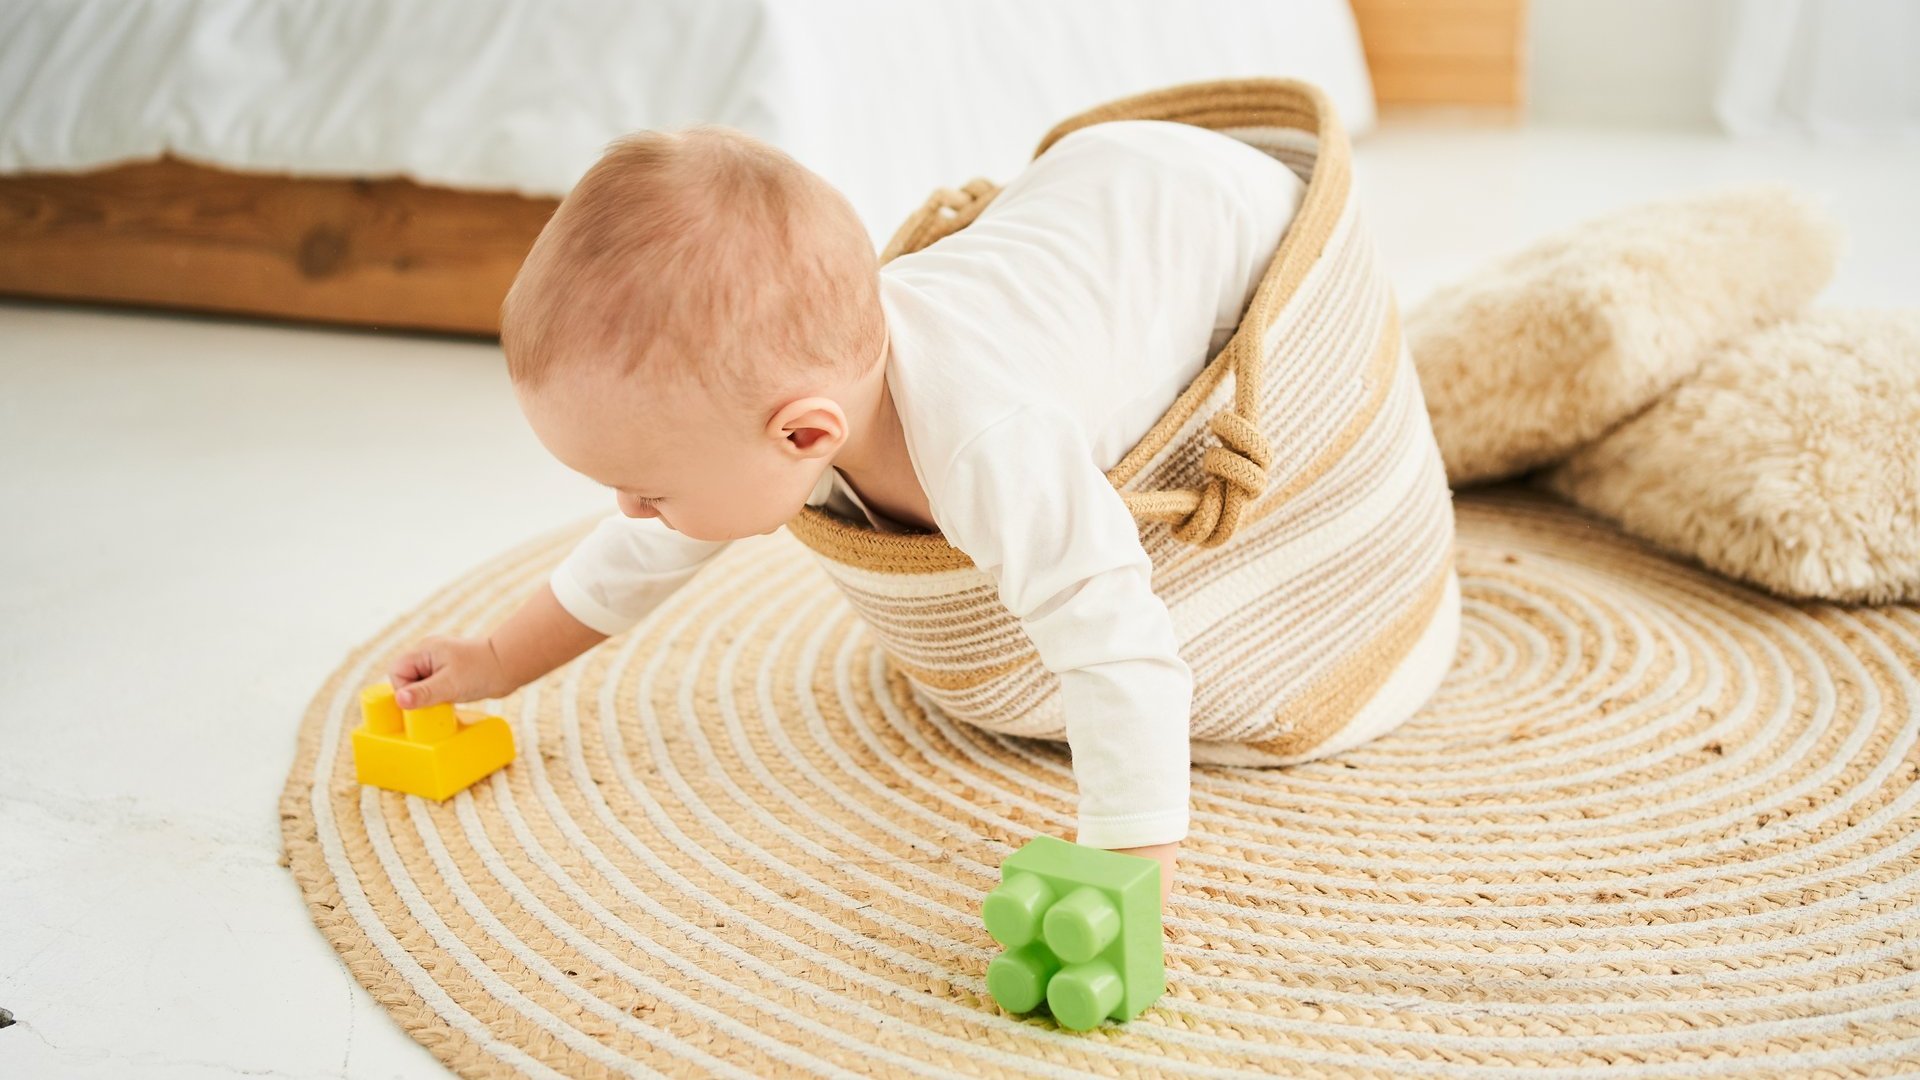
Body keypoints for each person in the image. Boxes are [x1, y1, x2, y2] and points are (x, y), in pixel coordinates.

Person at [387, 119, 1307, 909]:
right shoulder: (800, 396)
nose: (629, 508)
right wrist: (497, 660)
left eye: (649, 490)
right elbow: (636, 553)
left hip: (1223, 216)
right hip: (1091, 190)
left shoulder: (992, 443)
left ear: (801, 436)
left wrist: (1128, 865)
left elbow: (1118, 643)